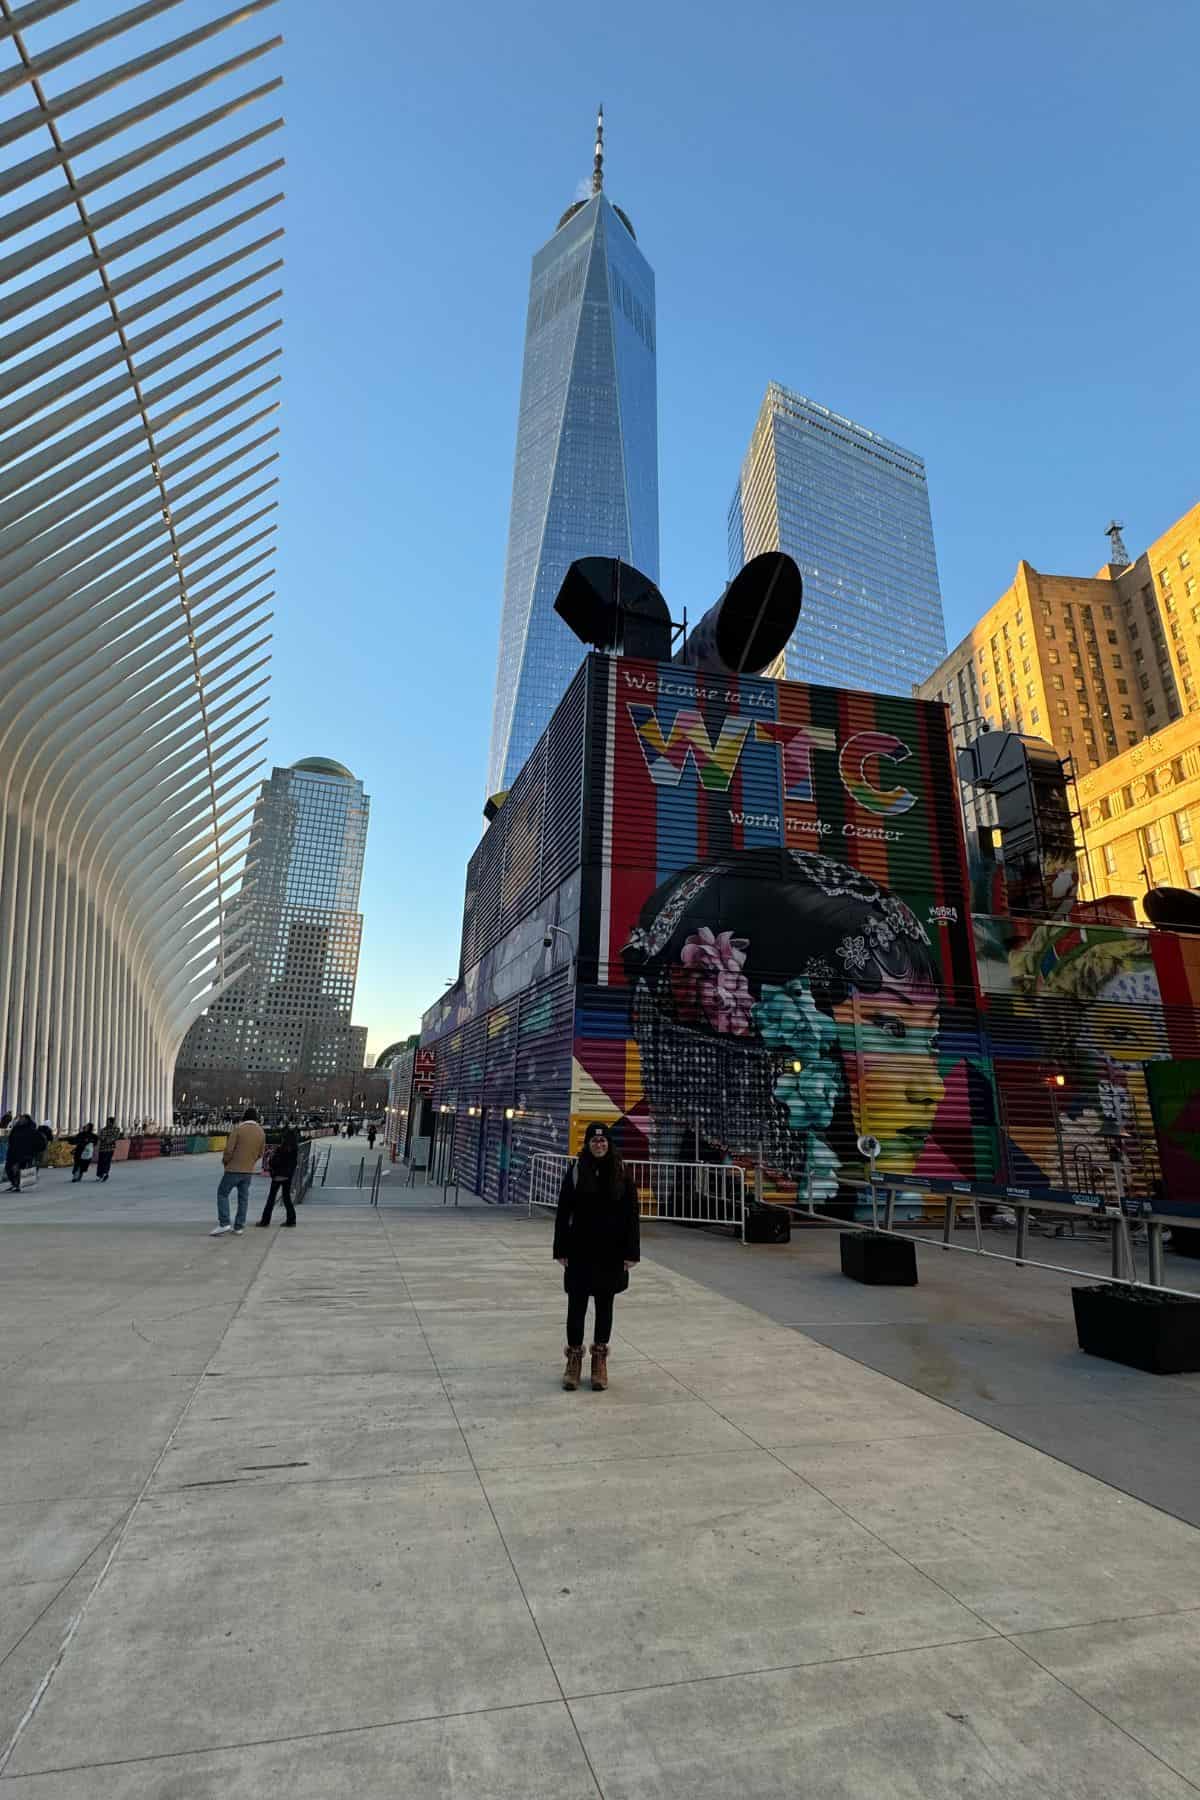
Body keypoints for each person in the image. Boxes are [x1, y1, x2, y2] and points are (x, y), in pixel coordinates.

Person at [553, 1122, 640, 1392]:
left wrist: (631, 1252)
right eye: (594, 1141)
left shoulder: (621, 1172)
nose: (599, 1145)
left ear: (609, 1144)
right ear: (588, 1144)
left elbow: (632, 1215)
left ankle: (599, 1361)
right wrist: (560, 1249)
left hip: (611, 1252)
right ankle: (574, 1362)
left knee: (605, 1305)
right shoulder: (577, 1170)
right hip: (580, 1250)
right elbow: (563, 1210)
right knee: (576, 1305)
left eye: (603, 1141)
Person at [211, 1107, 265, 1236]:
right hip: (248, 1170)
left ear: (244, 1117)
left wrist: (226, 1161)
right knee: (243, 1198)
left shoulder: (238, 1129)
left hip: (233, 1169)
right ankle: (239, 1226)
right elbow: (261, 1153)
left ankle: (224, 1223)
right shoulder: (261, 1132)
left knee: (222, 1193)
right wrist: (251, 1162)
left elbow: (229, 1150)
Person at [257, 1125, 299, 1227]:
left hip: (278, 1176)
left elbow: (274, 1162)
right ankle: (291, 1219)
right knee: (286, 1198)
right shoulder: (295, 1150)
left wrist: (271, 1163)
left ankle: (265, 1220)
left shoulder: (282, 1149)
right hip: (288, 1177)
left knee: (271, 1198)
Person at [4, 1114, 39, 1191]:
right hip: (13, 1152)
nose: (21, 1120)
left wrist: (33, 1152)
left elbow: (36, 1142)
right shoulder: (16, 1128)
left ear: (27, 1120)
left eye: (23, 1119)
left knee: (19, 1169)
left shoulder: (31, 1129)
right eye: (21, 1119)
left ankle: (17, 1184)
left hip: (25, 1154)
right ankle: (14, 1183)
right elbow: (11, 1139)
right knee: (8, 1168)